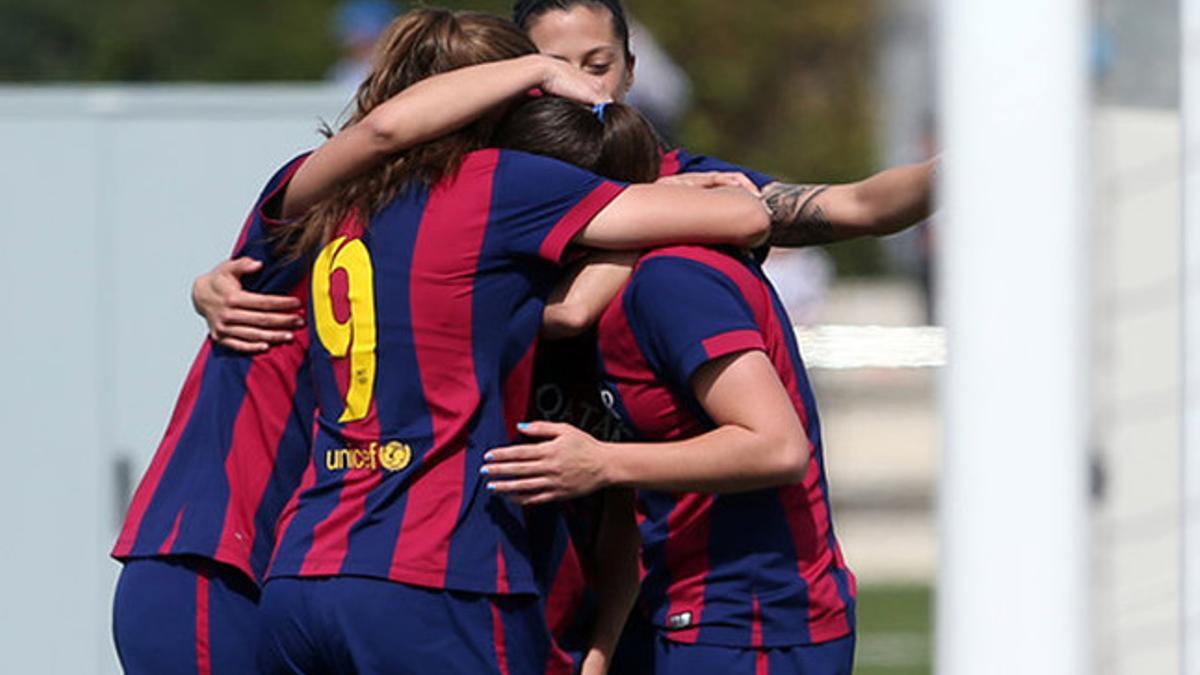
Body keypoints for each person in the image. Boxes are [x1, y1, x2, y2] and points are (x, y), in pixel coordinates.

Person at [248, 9, 775, 674]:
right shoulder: (494, 182)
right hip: (430, 571)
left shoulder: (330, 198)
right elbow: (745, 213)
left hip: (302, 570)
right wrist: (649, 194)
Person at [109, 9, 631, 674]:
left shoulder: (408, 218)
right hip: (218, 558)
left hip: (285, 571)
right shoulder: (334, 196)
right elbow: (564, 309)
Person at [482, 243, 855, 674]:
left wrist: (602, 462)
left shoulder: (670, 281)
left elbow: (777, 446)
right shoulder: (614, 294)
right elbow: (623, 515)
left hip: (748, 621)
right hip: (680, 614)